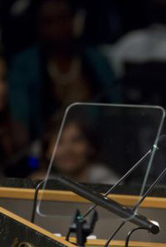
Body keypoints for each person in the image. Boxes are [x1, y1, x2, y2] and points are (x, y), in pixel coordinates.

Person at [9, 0, 119, 142]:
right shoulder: (24, 65)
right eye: (49, 21)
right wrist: (33, 160)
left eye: (63, 18)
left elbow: (117, 107)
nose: (57, 27)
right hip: (47, 150)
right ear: (38, 26)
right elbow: (20, 118)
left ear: (74, 20)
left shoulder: (96, 59)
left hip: (97, 145)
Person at [30, 116, 118, 184]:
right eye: (59, 142)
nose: (68, 149)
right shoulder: (40, 183)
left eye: (76, 140)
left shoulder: (106, 180)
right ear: (47, 151)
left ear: (90, 147)